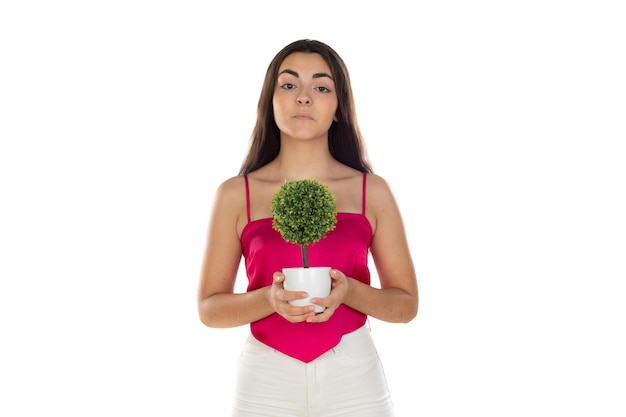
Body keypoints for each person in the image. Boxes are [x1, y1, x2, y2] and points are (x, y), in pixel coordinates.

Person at [197, 39, 418, 417]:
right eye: (289, 84)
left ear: (338, 109)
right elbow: (209, 308)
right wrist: (268, 299)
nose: (304, 97)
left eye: (321, 87)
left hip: (355, 379)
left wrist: (348, 292)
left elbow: (406, 305)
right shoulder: (237, 195)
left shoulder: (371, 191)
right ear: (271, 100)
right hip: (266, 380)